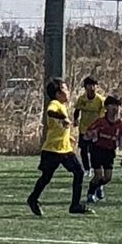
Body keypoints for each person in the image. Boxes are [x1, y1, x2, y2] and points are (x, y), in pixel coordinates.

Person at [27, 78, 89, 216]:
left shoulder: (61, 105)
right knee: (47, 177)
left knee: (78, 172)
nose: (68, 92)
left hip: (64, 149)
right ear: (58, 93)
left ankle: (75, 205)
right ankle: (33, 199)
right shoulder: (55, 104)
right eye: (65, 89)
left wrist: (68, 136)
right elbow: (50, 112)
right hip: (52, 149)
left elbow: (58, 127)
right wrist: (62, 117)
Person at [83, 96, 122, 204]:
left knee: (107, 178)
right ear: (106, 107)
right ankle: (90, 194)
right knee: (98, 175)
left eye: (117, 106)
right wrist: (90, 134)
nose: (115, 108)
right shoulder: (100, 122)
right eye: (112, 105)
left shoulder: (121, 125)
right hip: (97, 150)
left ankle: (98, 186)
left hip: (109, 152)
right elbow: (88, 134)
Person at [72, 75, 106, 196]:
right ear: (85, 87)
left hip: (95, 131)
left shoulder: (100, 100)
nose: (91, 88)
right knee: (83, 149)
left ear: (96, 87)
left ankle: (97, 170)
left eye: (93, 85)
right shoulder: (82, 99)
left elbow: (103, 116)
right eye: (89, 85)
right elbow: (77, 110)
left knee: (95, 151)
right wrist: (75, 120)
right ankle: (87, 169)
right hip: (84, 129)